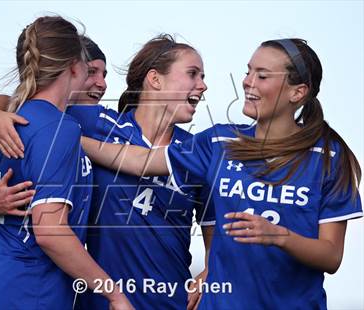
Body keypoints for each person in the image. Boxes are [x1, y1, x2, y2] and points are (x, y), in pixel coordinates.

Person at [80, 38, 363, 309]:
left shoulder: (329, 157)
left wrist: (279, 236)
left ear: (297, 92)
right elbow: (140, 159)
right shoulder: (219, 142)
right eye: (248, 71)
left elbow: (331, 256)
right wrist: (70, 137)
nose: (247, 81)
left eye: (262, 75)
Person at [0, 34, 214, 309]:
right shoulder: (95, 121)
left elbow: (212, 232)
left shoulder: (195, 151)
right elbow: (30, 103)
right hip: (103, 302)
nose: (203, 85)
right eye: (193, 74)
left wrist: (210, 271)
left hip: (172, 302)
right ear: (155, 79)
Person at [0, 16, 132, 309]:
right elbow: (50, 234)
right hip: (28, 290)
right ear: (73, 66)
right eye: (88, 66)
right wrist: (114, 294)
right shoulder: (58, 127)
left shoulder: (15, 118)